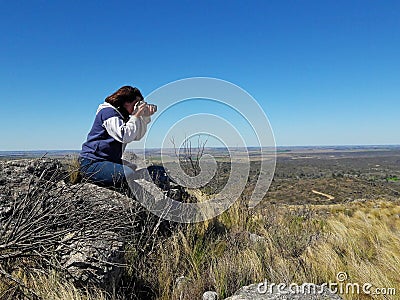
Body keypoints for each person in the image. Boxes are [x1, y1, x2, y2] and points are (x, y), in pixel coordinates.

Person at [79, 85, 156, 189]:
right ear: (126, 102)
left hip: (108, 160)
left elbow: (137, 136)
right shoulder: (108, 113)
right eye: (136, 103)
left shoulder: (122, 116)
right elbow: (124, 136)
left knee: (133, 168)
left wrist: (144, 117)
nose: (137, 107)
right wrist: (136, 115)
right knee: (128, 173)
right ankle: (92, 178)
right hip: (92, 162)